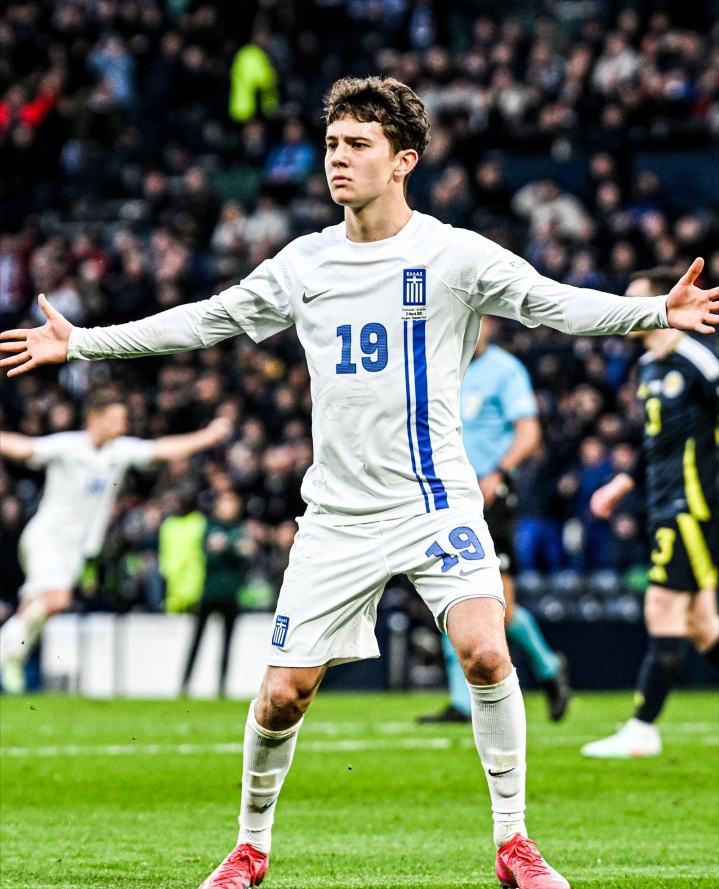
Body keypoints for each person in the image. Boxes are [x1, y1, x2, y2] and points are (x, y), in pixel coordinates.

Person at [2, 77, 717, 889]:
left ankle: (514, 842)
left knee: (486, 650)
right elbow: (206, 318)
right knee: (282, 696)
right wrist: (84, 342)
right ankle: (249, 847)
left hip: (435, 501)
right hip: (338, 516)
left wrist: (654, 311)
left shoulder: (453, 254)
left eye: (357, 145)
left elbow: (552, 304)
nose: (337, 159)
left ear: (402, 160)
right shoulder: (304, 262)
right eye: (332, 144)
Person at [0, 390, 231, 693]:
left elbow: (163, 449)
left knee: (35, 606)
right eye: (116, 418)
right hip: (47, 537)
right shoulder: (68, 446)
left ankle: (13, 656)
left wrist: (207, 437)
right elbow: (23, 447)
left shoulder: (120, 451)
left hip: (76, 547)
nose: (123, 424)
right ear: (95, 419)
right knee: (58, 599)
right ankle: (7, 653)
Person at [582, 267, 719, 758]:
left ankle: (642, 728)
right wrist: (623, 483)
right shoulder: (647, 366)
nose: (627, 307)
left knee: (661, 607)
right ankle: (642, 728)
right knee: (702, 627)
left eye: (635, 299)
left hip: (693, 506)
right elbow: (656, 441)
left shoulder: (698, 357)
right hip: (663, 502)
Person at [419, 314, 571, 725]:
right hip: (444, 496)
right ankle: (461, 702)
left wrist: (499, 472)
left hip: (491, 496)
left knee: (499, 606)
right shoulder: (437, 365)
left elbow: (529, 431)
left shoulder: (506, 369)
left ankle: (549, 666)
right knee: (449, 592)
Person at [181, 490, 256, 697]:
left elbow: (244, 558)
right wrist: (235, 548)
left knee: (227, 644)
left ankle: (222, 686)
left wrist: (226, 547)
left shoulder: (237, 528)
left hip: (231, 595)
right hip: (209, 593)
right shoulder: (210, 526)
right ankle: (185, 684)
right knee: (197, 640)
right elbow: (211, 557)